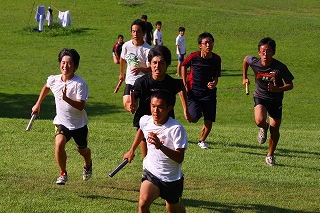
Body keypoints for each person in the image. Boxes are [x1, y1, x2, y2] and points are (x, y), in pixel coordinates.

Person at [31, 48, 92, 185]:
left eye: (70, 63)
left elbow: (81, 106)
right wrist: (38, 104)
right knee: (59, 143)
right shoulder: (54, 80)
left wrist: (66, 98)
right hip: (62, 122)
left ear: (75, 66)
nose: (65, 66)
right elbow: (46, 87)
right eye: (63, 62)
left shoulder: (80, 84)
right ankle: (63, 173)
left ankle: (88, 163)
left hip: (79, 125)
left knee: (82, 150)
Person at [123, 89, 187, 213]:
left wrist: (160, 146)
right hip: (152, 172)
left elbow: (180, 158)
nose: (155, 111)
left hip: (171, 179)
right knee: (143, 204)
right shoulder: (145, 120)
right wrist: (131, 150)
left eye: (160, 107)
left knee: (174, 210)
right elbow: (141, 130)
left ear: (169, 108)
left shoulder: (176, 129)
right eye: (153, 106)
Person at [129, 45, 192, 158]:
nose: (157, 66)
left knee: (163, 155)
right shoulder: (141, 82)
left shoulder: (172, 83)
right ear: (150, 64)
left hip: (165, 123)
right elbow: (134, 100)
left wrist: (185, 109)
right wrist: (132, 106)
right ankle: (146, 167)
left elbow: (181, 87)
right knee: (147, 156)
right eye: (154, 63)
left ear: (167, 64)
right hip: (145, 121)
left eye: (161, 63)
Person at [242, 37, 294, 166]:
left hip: (276, 100)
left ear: (274, 52)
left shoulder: (280, 67)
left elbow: (290, 85)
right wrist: (245, 77)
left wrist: (278, 89)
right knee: (259, 120)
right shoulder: (254, 62)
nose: (266, 54)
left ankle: (270, 155)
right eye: (263, 51)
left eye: (269, 51)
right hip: (260, 96)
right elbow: (245, 59)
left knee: (275, 129)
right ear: (259, 52)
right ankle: (263, 127)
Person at [181, 32, 221, 149]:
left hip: (209, 94)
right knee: (193, 118)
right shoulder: (193, 57)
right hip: (194, 93)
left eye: (210, 42)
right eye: (205, 43)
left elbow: (216, 76)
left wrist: (214, 83)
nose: (208, 45)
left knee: (209, 121)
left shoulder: (217, 59)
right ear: (200, 45)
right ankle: (196, 111)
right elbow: (183, 65)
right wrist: (184, 82)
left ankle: (202, 141)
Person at [119, 19, 152, 111]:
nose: (135, 34)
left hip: (143, 82)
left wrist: (140, 69)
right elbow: (122, 58)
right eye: (133, 31)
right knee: (127, 105)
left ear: (144, 32)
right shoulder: (126, 46)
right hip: (130, 80)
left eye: (138, 32)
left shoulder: (148, 50)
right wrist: (121, 73)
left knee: (142, 109)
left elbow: (151, 69)